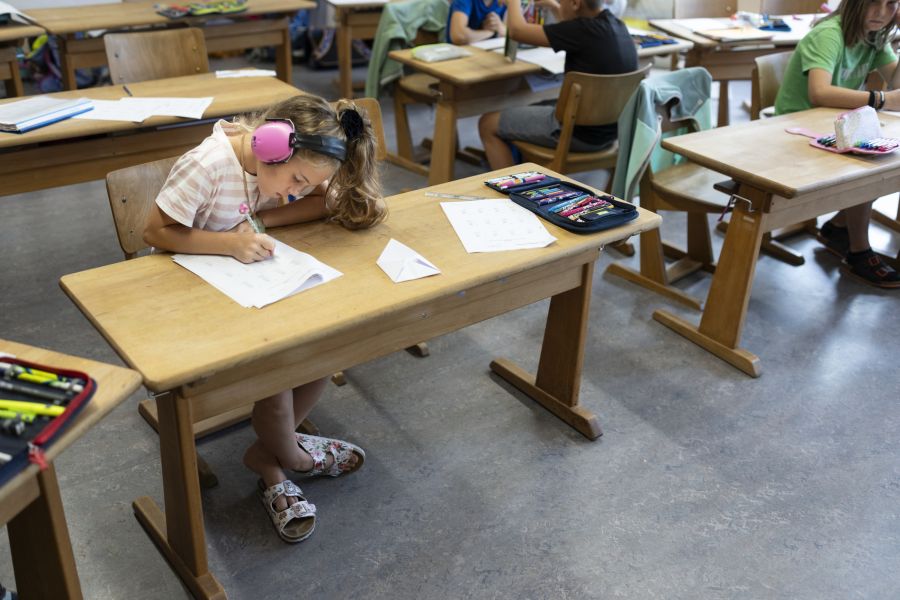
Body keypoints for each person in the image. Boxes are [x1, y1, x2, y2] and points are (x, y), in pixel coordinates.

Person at [144, 93, 385, 542]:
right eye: (295, 179)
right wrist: (230, 244)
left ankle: (268, 454)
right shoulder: (210, 164)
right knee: (277, 365)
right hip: (186, 291)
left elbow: (324, 204)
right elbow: (154, 232)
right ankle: (289, 459)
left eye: (303, 185)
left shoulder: (275, 167)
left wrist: (260, 221)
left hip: (244, 284)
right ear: (270, 142)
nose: (294, 192)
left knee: (324, 344)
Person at [774, 0, 900, 288]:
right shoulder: (830, 34)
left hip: (831, 128)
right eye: (873, 3)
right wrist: (882, 100)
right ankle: (859, 251)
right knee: (869, 168)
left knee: (886, 160)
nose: (882, 12)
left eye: (891, 3)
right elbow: (819, 92)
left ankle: (839, 228)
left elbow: (896, 83)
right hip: (794, 133)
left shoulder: (874, 37)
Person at [477, 0, 638, 169]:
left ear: (576, 3)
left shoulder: (581, 30)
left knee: (487, 123)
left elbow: (517, 30)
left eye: (561, 1)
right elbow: (568, 28)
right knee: (530, 106)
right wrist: (554, 7)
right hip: (610, 134)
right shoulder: (618, 26)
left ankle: (510, 190)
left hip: (575, 134)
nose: (559, 4)